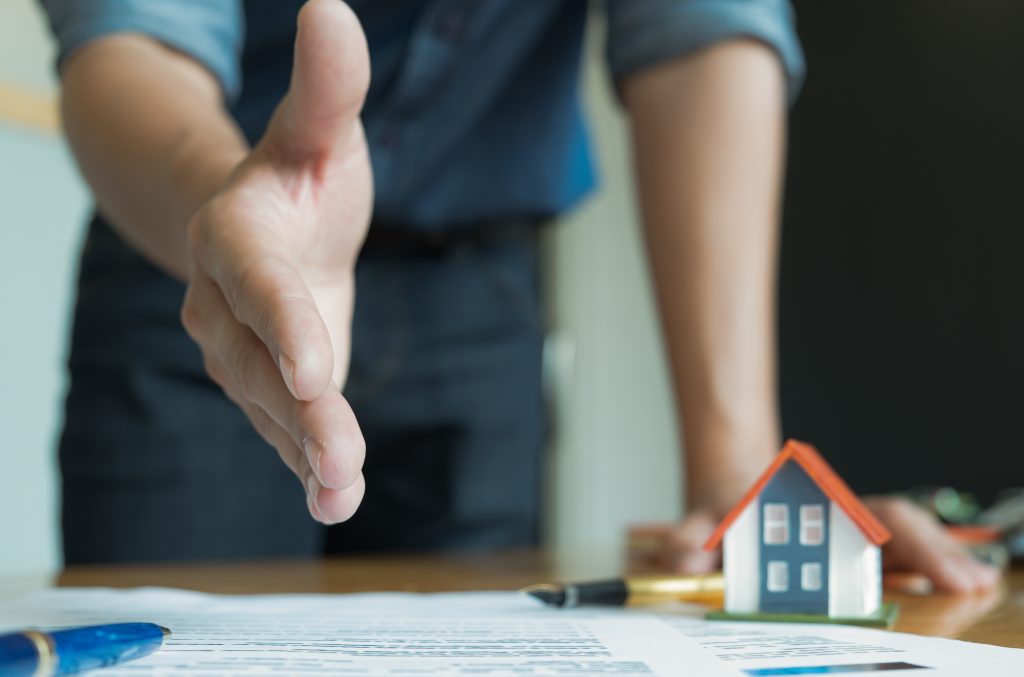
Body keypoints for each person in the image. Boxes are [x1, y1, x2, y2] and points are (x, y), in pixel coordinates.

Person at [40, 0, 997, 592]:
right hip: (206, 276)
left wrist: (738, 468)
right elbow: (131, 33)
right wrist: (230, 207)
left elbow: (699, 29)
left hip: (484, 297)